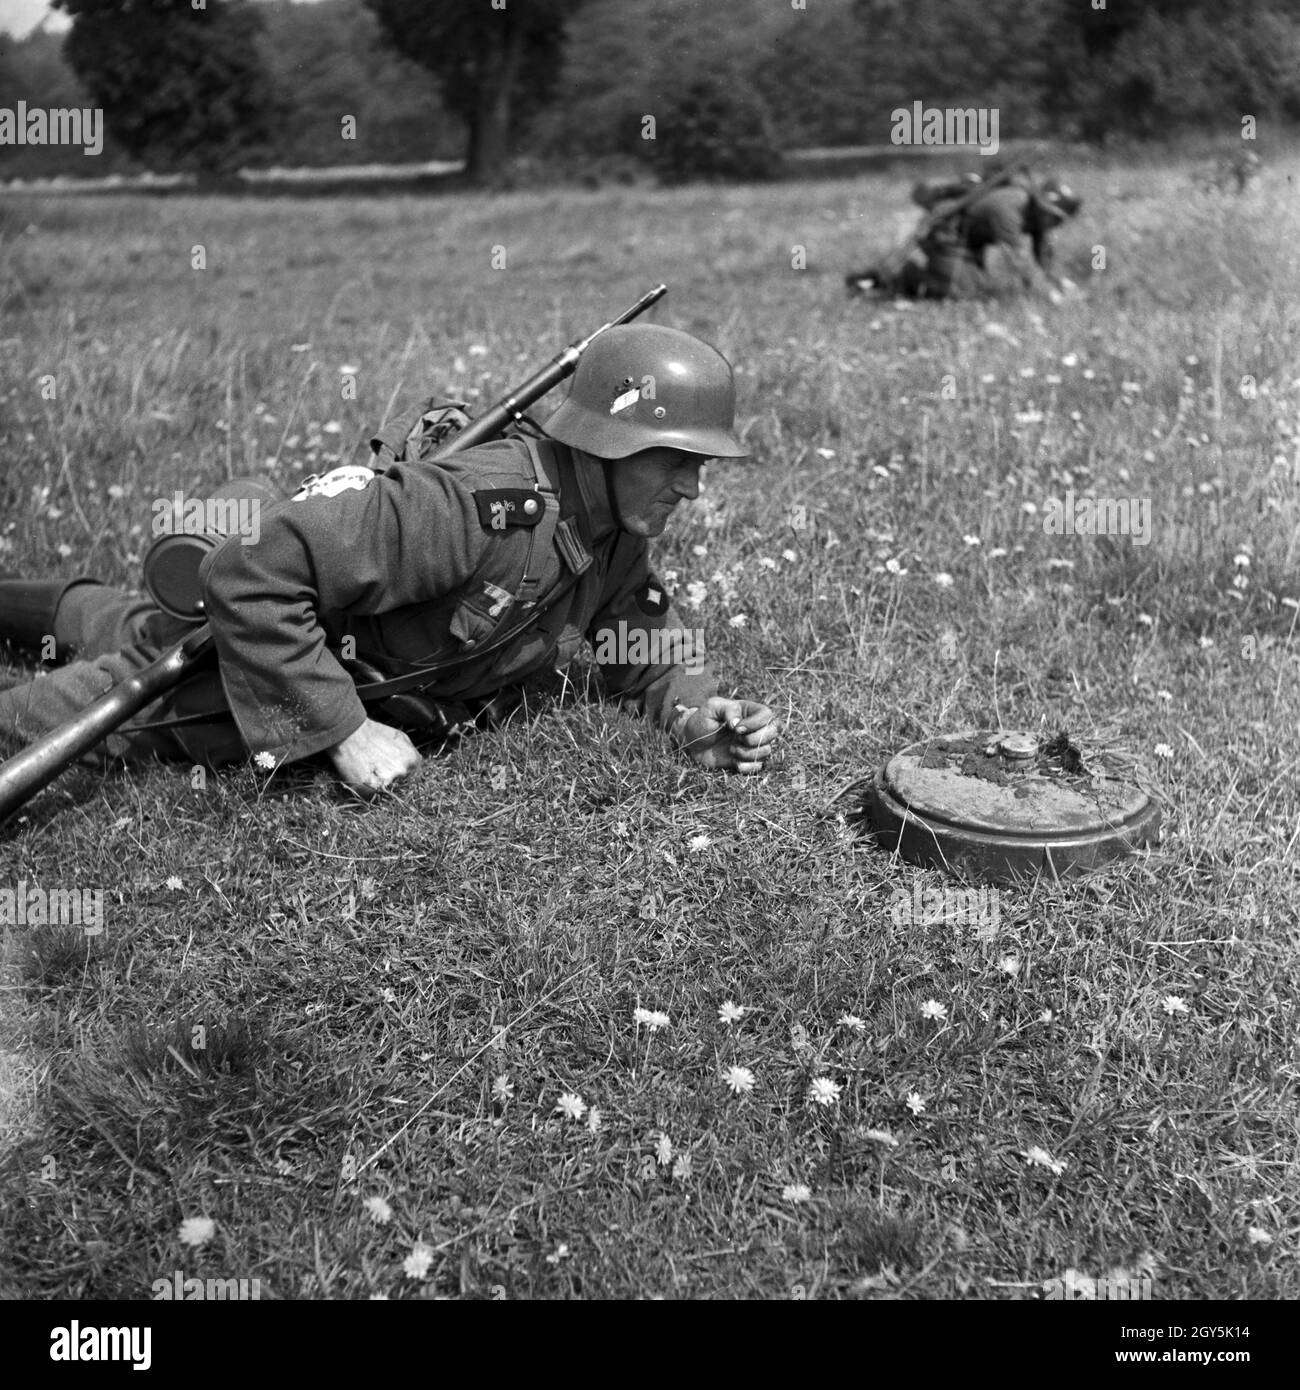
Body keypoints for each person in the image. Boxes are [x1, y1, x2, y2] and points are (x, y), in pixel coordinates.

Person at [0, 325, 781, 796]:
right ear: (611, 444)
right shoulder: (472, 510)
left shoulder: (608, 525)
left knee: (127, 618)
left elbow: (641, 644)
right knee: (82, 712)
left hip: (301, 621)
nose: (693, 486)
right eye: (677, 460)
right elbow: (247, 574)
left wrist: (689, 714)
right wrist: (343, 731)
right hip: (260, 659)